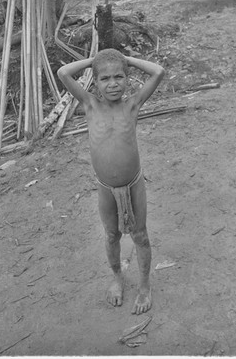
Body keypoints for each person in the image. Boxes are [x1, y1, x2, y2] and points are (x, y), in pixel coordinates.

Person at [57, 48, 165, 314]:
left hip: (134, 183)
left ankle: (144, 286)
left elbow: (158, 72)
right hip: (105, 188)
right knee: (111, 235)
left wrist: (125, 60)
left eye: (119, 76)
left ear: (127, 79)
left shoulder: (133, 104)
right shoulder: (90, 104)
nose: (113, 83)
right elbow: (63, 73)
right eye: (105, 78)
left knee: (141, 236)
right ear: (95, 82)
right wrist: (96, 61)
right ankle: (117, 278)